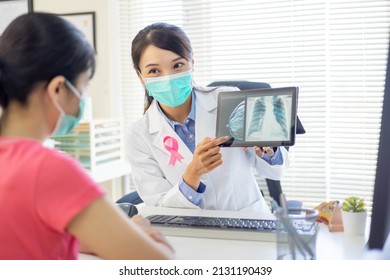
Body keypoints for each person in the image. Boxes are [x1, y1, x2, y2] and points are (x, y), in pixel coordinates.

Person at [0, 13, 174, 260]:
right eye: (82, 88)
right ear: (58, 89)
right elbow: (160, 265)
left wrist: (101, 236)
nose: (82, 100)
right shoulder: (49, 170)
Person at [125, 22, 289, 213]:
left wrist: (270, 150)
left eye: (178, 65)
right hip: (192, 234)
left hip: (249, 222)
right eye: (154, 71)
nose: (168, 78)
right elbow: (159, 207)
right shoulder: (139, 135)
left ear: (192, 63)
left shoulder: (228, 100)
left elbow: (276, 171)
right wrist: (193, 174)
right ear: (140, 76)